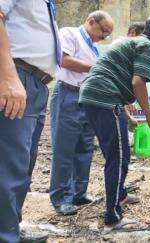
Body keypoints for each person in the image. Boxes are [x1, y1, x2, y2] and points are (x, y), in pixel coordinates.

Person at [78, 15, 150, 231]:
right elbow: (137, 82)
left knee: (118, 154)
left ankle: (120, 195)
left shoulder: (132, 41)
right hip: (104, 98)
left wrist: (127, 116)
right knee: (118, 158)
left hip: (96, 97)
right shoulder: (148, 46)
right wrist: (148, 116)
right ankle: (113, 216)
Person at [0, 0, 61, 242]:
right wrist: (8, 77)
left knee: (24, 164)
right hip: (17, 77)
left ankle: (10, 228)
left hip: (36, 83)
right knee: (9, 165)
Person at [49, 11, 114, 216]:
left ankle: (79, 193)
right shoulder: (69, 34)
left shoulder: (95, 48)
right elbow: (64, 60)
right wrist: (98, 68)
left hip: (88, 99)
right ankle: (61, 197)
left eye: (107, 34)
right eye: (103, 31)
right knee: (64, 148)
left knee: (84, 148)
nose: (104, 37)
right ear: (91, 21)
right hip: (67, 93)